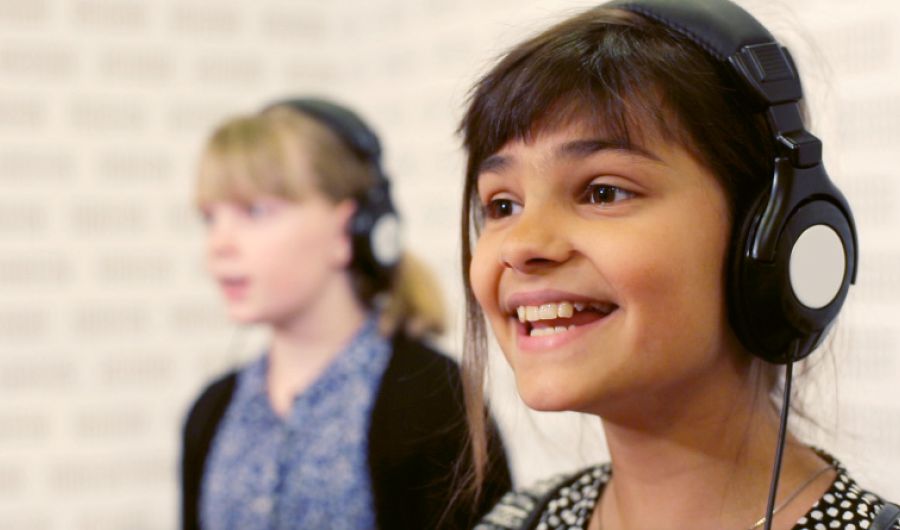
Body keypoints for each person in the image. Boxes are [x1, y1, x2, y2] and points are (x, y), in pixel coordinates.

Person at [455, 1, 899, 529]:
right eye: (502, 205)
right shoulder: (515, 521)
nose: (521, 246)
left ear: (771, 234)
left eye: (603, 192)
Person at [180, 97, 511, 530]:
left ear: (348, 228)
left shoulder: (431, 400)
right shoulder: (210, 412)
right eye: (211, 218)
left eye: (255, 211)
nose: (219, 245)